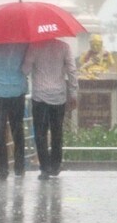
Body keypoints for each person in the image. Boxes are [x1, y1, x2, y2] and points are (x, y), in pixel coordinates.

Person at [21, 38, 79, 180]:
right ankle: (55, 165)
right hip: (58, 96)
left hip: (39, 96)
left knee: (40, 134)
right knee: (57, 131)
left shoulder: (34, 46)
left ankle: (45, 168)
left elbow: (25, 70)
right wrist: (73, 93)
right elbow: (72, 70)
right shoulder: (64, 47)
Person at [0, 43, 29, 180]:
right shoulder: (22, 45)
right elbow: (26, 67)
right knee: (17, 129)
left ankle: (2, 170)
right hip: (17, 90)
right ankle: (19, 167)